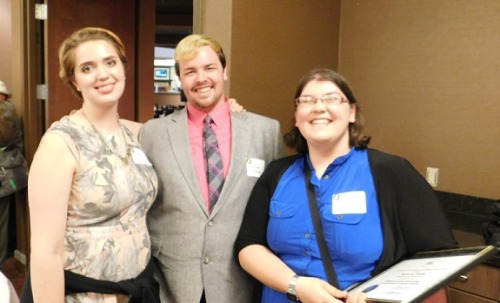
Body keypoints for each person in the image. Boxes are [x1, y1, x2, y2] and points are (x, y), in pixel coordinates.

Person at [235, 68, 458, 303]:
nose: (319, 107)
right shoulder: (277, 173)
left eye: (331, 98)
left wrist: (380, 295)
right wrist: (296, 285)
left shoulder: (391, 172)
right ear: (298, 117)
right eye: (307, 100)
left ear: (351, 112)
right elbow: (249, 245)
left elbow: (435, 259)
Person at [139, 34, 285, 303]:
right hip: (171, 283)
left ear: (224, 71)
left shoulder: (266, 131)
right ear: (180, 80)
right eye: (190, 71)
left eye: (209, 68)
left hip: (241, 281)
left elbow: (276, 208)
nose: (201, 78)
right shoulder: (152, 133)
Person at [21, 27, 159, 302]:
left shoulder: (136, 133)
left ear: (123, 68)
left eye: (110, 62)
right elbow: (45, 253)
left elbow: (187, 130)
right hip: (83, 296)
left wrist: (229, 109)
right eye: (87, 68)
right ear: (74, 80)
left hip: (137, 291)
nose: (103, 74)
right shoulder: (61, 144)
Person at [0, 80, 24, 272]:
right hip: (5, 172)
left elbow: (7, 138)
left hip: (3, 174)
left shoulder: (5, 111)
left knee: (2, 222)